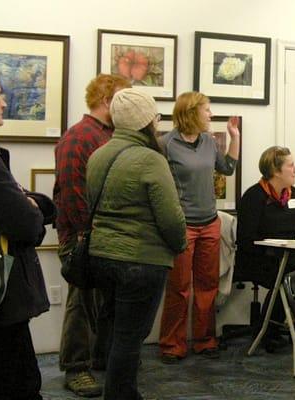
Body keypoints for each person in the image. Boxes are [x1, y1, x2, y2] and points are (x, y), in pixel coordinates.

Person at [86, 88, 187, 399]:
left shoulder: (98, 154)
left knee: (116, 330)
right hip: (141, 261)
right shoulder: (151, 160)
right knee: (131, 337)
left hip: (101, 255)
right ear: (147, 122)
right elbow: (171, 219)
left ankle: (113, 386)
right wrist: (180, 244)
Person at [0, 68, 55, 400]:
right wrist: (32, 207)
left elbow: (33, 206)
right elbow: (28, 225)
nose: (4, 103)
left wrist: (31, 204)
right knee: (14, 384)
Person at [54, 73, 130, 397]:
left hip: (106, 234)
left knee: (105, 301)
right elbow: (72, 192)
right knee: (81, 302)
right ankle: (76, 367)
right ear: (106, 100)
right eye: (123, 99)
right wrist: (88, 234)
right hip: (83, 236)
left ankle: (98, 358)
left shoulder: (112, 135)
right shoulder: (79, 136)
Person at [158, 91, 240, 363]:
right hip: (182, 226)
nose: (210, 114)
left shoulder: (208, 141)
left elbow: (227, 168)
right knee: (179, 288)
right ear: (192, 112)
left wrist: (234, 138)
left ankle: (205, 341)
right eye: (207, 109)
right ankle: (172, 345)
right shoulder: (165, 144)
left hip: (210, 223)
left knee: (207, 286)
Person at [235, 146, 295, 352]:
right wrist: (274, 249)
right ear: (276, 171)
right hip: (258, 259)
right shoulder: (254, 197)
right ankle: (268, 330)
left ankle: (275, 328)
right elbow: (246, 240)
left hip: (288, 258)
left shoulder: (294, 195)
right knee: (288, 276)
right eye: (291, 165)